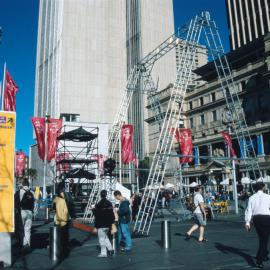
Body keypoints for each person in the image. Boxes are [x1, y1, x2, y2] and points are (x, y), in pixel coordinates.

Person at [245, 181, 270, 268]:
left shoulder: (251, 198)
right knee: (264, 239)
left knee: (262, 237)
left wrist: (247, 222)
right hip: (266, 218)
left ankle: (264, 254)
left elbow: (249, 210)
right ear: (263, 188)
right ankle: (260, 259)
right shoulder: (268, 197)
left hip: (256, 218)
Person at [53, 182, 75, 258]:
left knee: (58, 234)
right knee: (65, 234)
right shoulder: (67, 196)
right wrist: (73, 216)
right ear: (63, 188)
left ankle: (58, 248)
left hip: (58, 219)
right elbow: (71, 206)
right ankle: (65, 249)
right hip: (66, 219)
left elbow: (53, 208)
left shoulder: (56, 197)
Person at [92, 190, 115, 257]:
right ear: (106, 194)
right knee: (105, 238)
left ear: (100, 195)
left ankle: (104, 253)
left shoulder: (99, 204)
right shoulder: (109, 203)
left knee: (102, 239)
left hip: (101, 224)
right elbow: (111, 214)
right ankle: (110, 249)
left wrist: (93, 209)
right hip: (108, 224)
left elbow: (97, 214)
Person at [14, 179, 35, 251]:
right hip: (29, 213)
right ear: (28, 185)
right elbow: (34, 204)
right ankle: (28, 245)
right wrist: (33, 212)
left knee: (20, 229)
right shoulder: (32, 192)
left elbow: (15, 203)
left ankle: (22, 244)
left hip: (22, 212)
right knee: (28, 229)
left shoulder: (19, 192)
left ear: (23, 184)